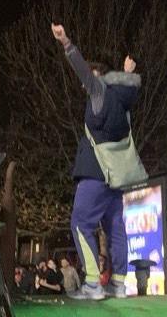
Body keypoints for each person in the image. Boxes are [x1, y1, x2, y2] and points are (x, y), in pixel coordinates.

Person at [51, 23, 142, 301]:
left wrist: (66, 42)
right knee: (116, 227)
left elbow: (81, 69)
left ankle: (92, 282)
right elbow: (127, 89)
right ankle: (118, 283)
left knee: (80, 222)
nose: (83, 84)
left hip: (95, 175)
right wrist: (127, 74)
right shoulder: (122, 103)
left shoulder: (99, 93)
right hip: (115, 177)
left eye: (89, 80)